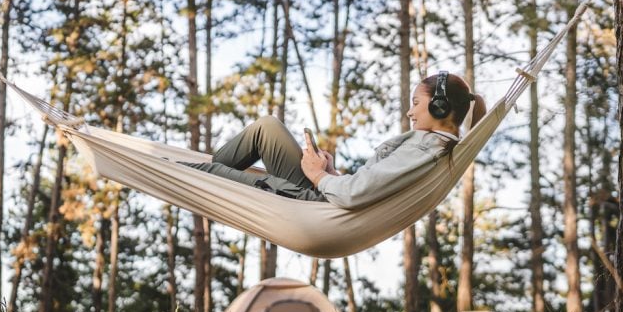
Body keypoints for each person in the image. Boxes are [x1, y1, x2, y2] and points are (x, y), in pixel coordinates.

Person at [185, 72, 487, 209]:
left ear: (439, 107)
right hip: (330, 195)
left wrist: (318, 177)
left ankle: (171, 168)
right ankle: (188, 167)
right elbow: (370, 186)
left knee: (208, 176)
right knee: (267, 127)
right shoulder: (431, 147)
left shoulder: (425, 149)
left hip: (322, 209)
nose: (409, 112)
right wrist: (331, 175)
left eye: (416, 103)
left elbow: (355, 195)